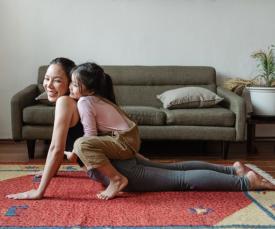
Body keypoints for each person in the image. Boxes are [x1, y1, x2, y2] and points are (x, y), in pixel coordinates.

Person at [6, 59, 275, 201]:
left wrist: (39, 191)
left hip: (121, 168)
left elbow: (57, 148)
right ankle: (233, 169)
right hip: (120, 155)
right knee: (177, 169)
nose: (49, 85)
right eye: (46, 79)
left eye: (57, 80)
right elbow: (72, 147)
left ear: (72, 83)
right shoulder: (85, 100)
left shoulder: (68, 102)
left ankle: (243, 182)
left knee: (180, 181)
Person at [66, 62, 140, 199]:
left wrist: (75, 152)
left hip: (124, 142)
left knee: (81, 144)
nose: (70, 87)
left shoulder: (84, 102)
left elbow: (90, 135)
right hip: (130, 138)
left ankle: (117, 179)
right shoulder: (97, 98)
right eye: (71, 82)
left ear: (91, 90)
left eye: (75, 85)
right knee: (81, 144)